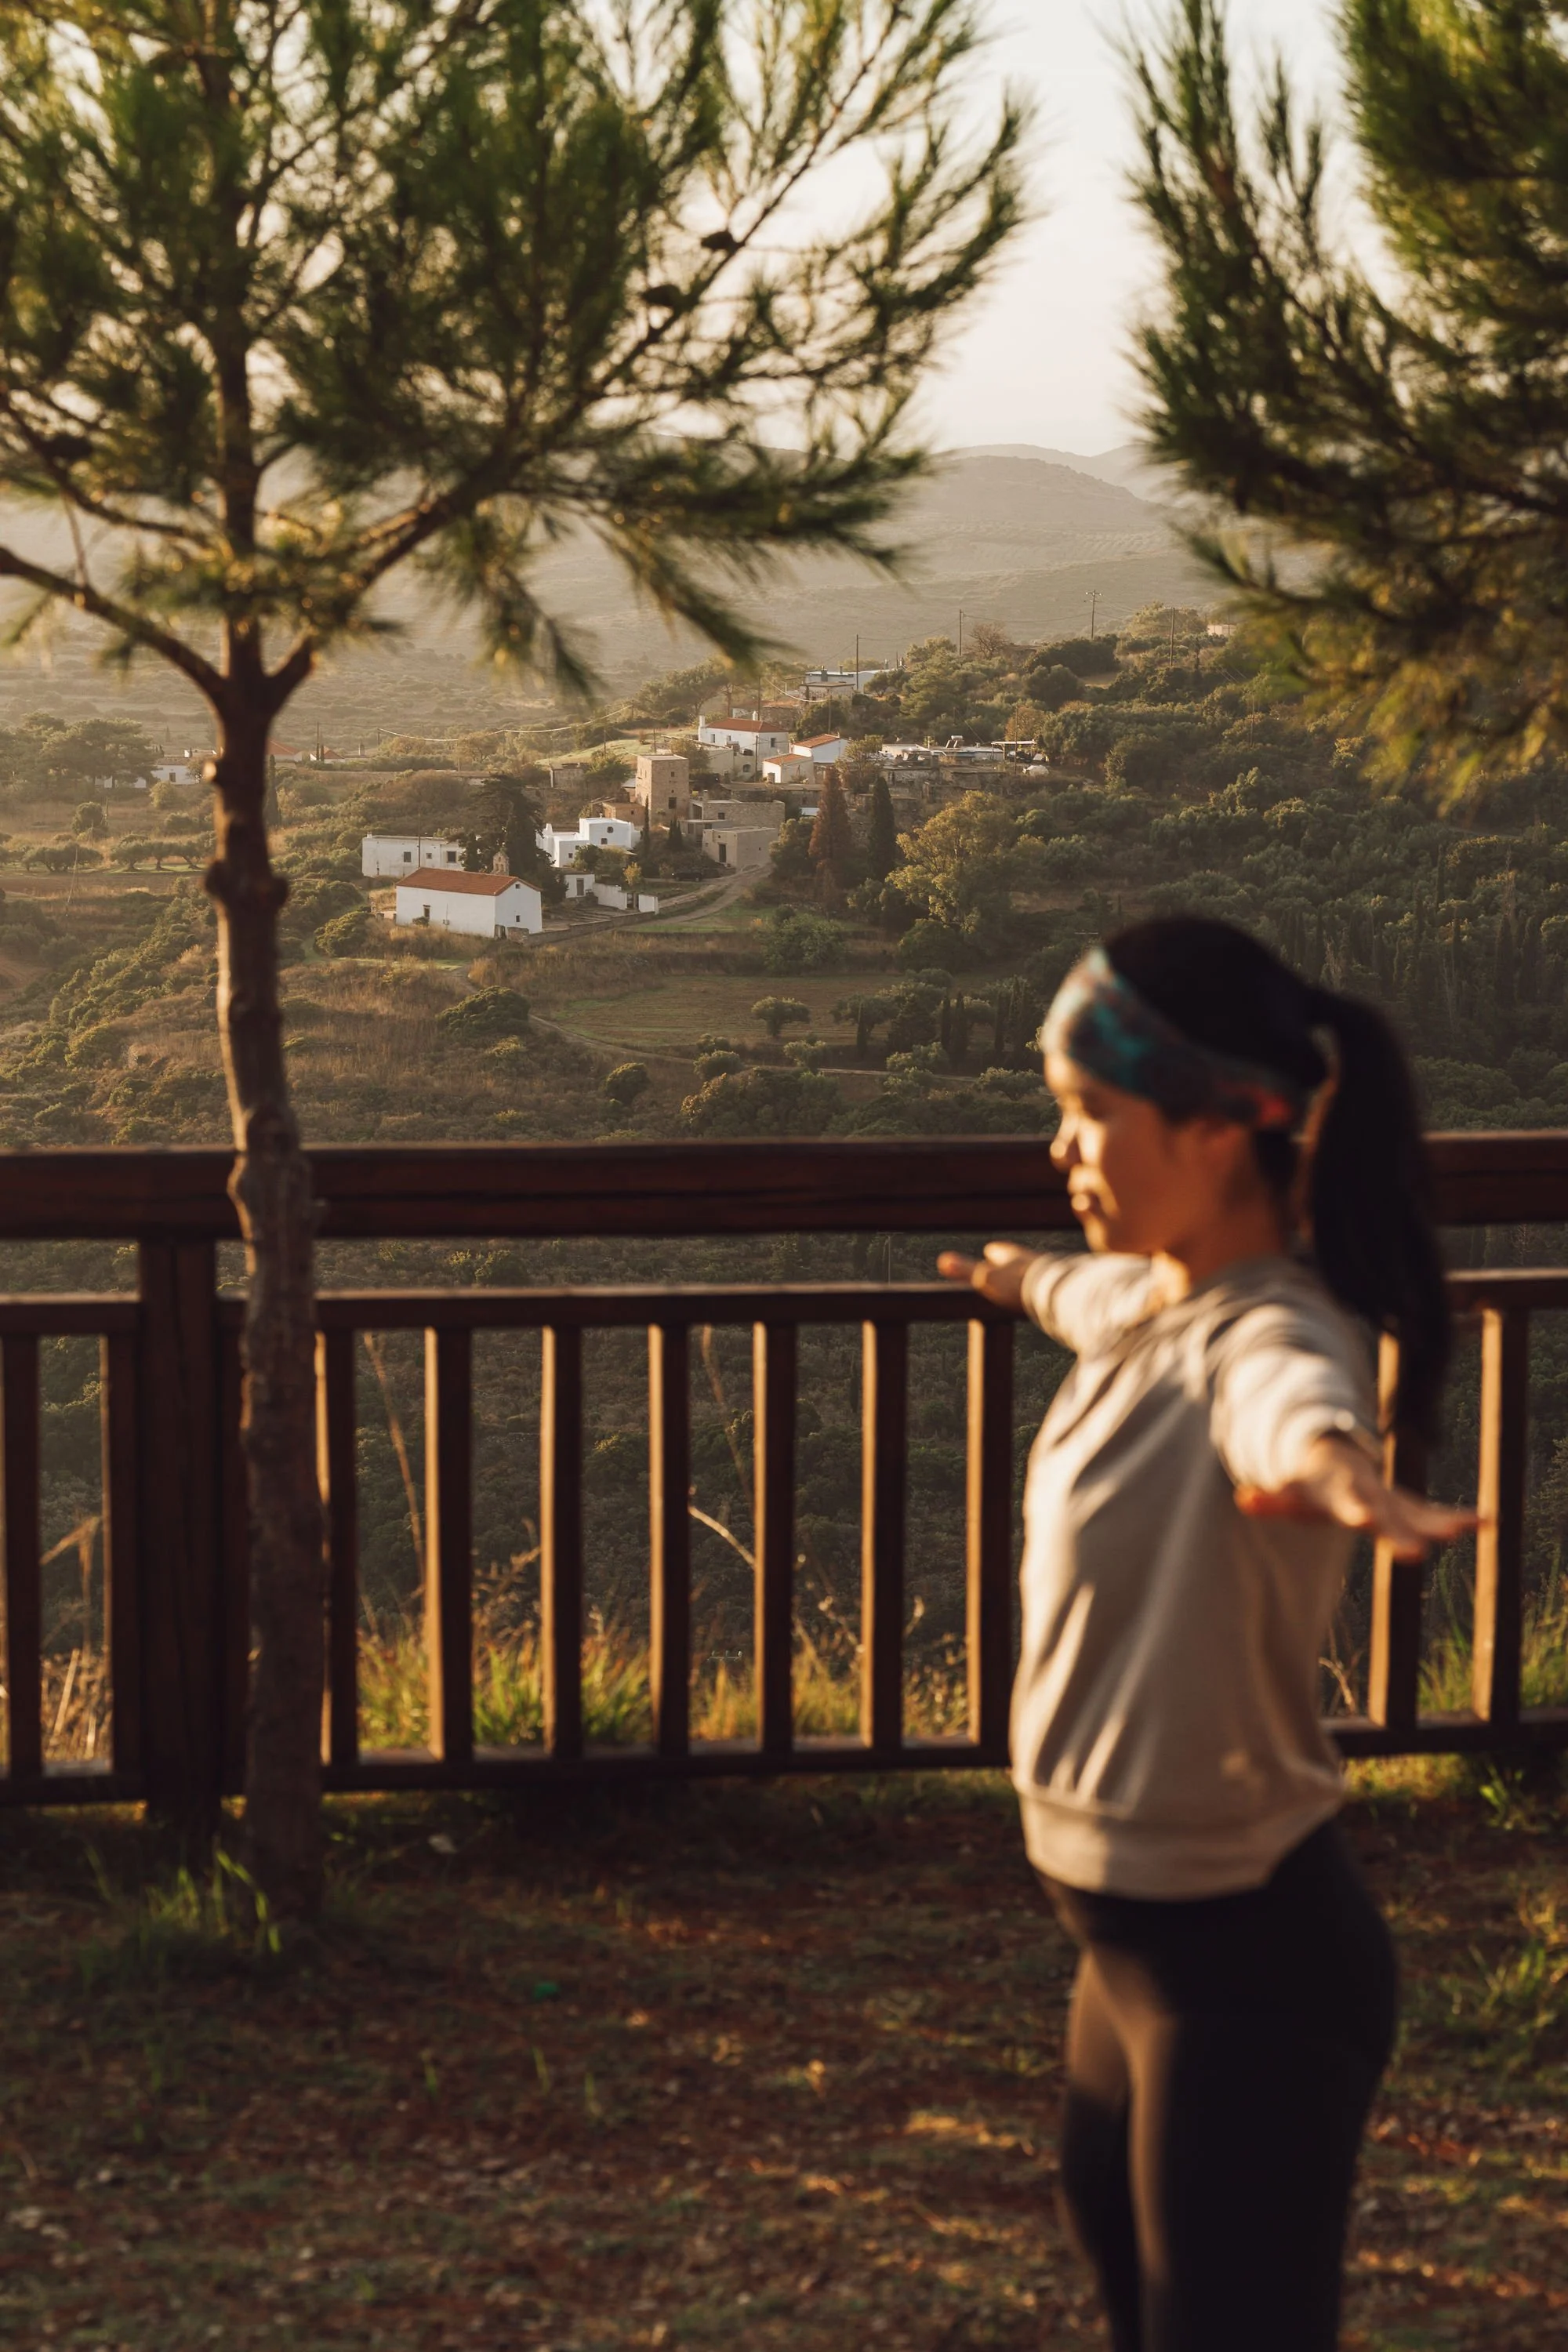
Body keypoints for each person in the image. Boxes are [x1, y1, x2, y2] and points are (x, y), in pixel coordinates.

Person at [938, 917, 1476, 2352]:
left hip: (1247, 1967)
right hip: (1126, 1952)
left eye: (1088, 1116)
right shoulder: (1148, 1303)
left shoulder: (1270, 1339)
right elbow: (1076, 1289)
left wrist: (1339, 1478)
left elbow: (1295, 1409)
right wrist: (1007, 1276)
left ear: (1221, 1129)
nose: (1061, 1152)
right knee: (1141, 2298)